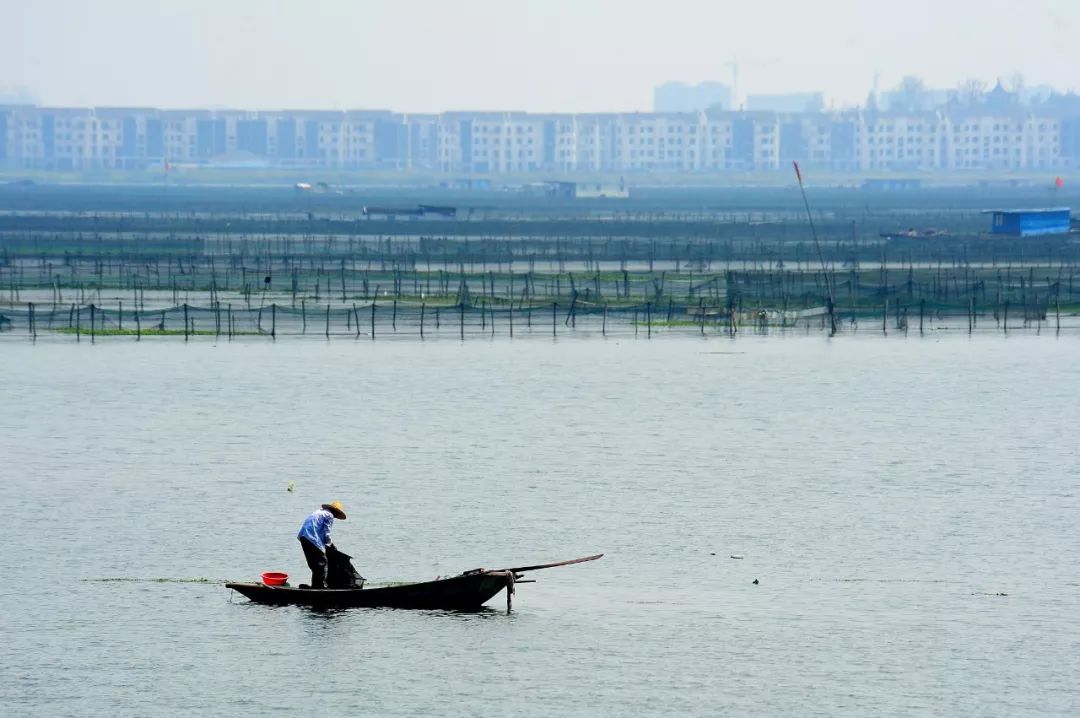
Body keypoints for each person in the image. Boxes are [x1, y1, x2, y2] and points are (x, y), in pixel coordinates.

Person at [297, 501, 346, 589]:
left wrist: (327, 545)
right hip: (311, 537)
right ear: (335, 512)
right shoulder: (329, 515)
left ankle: (315, 586)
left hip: (303, 537)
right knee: (321, 562)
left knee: (315, 564)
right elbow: (326, 533)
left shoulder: (318, 512)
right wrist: (331, 544)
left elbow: (318, 530)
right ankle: (319, 587)